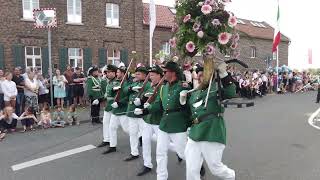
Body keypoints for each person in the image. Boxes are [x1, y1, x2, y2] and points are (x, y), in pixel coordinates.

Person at [181, 63, 236, 180]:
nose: (201, 78)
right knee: (191, 168)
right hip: (194, 134)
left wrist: (224, 74)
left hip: (212, 131)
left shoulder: (216, 89)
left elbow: (231, 93)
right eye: (199, 75)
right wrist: (183, 100)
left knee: (215, 168)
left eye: (204, 75)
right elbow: (191, 113)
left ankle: (231, 176)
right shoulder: (195, 93)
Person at [142, 61, 191, 180]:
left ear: (172, 72)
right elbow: (158, 104)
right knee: (161, 152)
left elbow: (188, 106)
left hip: (178, 124)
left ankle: (197, 165)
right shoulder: (163, 88)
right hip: (164, 124)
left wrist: (189, 123)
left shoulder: (183, 86)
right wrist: (145, 110)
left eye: (165, 72)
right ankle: (162, 177)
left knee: (183, 153)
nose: (163, 74)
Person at [133, 65, 164, 176]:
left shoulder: (163, 87)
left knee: (164, 147)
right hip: (147, 120)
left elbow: (159, 105)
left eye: (152, 75)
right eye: (149, 75)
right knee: (145, 142)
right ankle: (147, 164)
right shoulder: (151, 87)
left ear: (159, 75)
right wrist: (139, 102)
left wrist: (144, 111)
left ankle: (181, 155)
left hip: (158, 121)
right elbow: (146, 100)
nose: (150, 77)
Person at [103, 65, 130, 154]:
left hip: (122, 109)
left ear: (123, 74)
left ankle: (140, 136)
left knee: (126, 129)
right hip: (115, 110)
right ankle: (112, 146)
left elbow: (126, 97)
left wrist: (119, 102)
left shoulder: (126, 83)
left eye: (118, 72)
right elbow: (110, 93)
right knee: (112, 127)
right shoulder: (116, 82)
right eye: (116, 72)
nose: (116, 74)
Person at [97, 65, 118, 148]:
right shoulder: (108, 82)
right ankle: (106, 140)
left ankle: (139, 135)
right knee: (106, 123)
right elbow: (106, 94)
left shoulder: (117, 82)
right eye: (107, 72)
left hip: (115, 106)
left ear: (114, 73)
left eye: (109, 72)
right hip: (108, 106)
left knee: (124, 127)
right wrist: (99, 100)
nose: (107, 74)